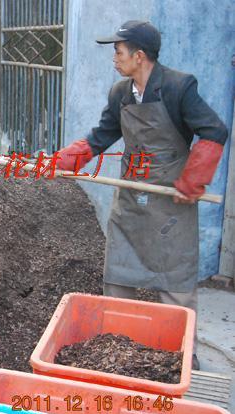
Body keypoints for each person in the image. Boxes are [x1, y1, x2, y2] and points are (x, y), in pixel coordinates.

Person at [56, 20, 228, 370]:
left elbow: (214, 131)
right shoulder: (120, 93)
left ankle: (183, 358)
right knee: (118, 274)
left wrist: (192, 181)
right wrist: (63, 161)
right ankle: (120, 350)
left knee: (175, 282)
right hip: (132, 201)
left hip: (170, 204)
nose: (114, 59)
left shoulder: (179, 87)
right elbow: (102, 134)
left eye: (118, 52)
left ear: (139, 55)